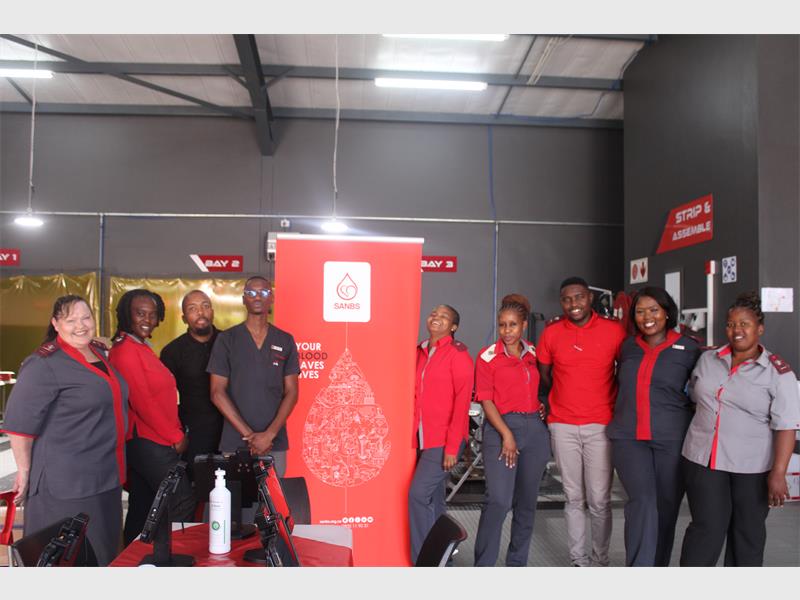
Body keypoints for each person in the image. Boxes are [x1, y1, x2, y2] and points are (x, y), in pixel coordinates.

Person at [0, 295, 128, 565]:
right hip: (67, 484)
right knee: (68, 561)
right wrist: (24, 471)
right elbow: (20, 425)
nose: (80, 325)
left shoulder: (98, 353)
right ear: (56, 324)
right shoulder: (43, 363)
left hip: (106, 475)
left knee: (104, 554)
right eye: (71, 320)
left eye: (86, 317)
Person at [679, 291, 800, 566]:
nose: (736, 330)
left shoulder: (778, 373)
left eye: (744, 324)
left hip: (752, 468)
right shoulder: (708, 359)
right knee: (705, 529)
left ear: (760, 328)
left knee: (747, 533)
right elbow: (693, 398)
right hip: (703, 460)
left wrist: (778, 473)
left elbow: (786, 427)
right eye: (731, 324)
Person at [606, 286, 701, 566]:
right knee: (642, 503)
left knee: (666, 508)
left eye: (653, 310)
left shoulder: (689, 348)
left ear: (667, 312)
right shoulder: (628, 347)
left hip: (671, 439)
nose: (646, 317)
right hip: (629, 439)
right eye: (639, 311)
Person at [537, 276, 626, 567]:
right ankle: (578, 559)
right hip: (562, 424)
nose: (573, 304)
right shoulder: (551, 333)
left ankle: (601, 560)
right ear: (561, 302)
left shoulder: (614, 332)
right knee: (573, 497)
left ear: (589, 298)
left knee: (599, 499)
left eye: (578, 297)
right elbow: (545, 376)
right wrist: (556, 406)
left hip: (600, 425)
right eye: (567, 299)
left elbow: (625, 373)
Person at [109, 288, 196, 545]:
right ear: (127, 315)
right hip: (148, 442)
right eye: (140, 313)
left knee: (143, 505)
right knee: (182, 499)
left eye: (152, 314)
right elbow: (142, 401)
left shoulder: (140, 347)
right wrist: (175, 436)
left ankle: (135, 561)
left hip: (149, 441)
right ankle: (172, 558)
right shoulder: (125, 351)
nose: (147, 319)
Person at [473, 294, 551, 567]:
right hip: (500, 429)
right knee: (498, 500)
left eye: (513, 325)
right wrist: (506, 434)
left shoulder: (533, 353)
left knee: (526, 504)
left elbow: (539, 387)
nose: (507, 331)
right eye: (503, 325)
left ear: (524, 325)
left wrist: (541, 405)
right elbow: (486, 399)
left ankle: (517, 565)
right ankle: (484, 566)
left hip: (535, 432)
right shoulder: (487, 357)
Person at [207, 276, 300, 477]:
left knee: (271, 505)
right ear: (243, 299)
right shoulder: (227, 339)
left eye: (264, 292)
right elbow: (216, 392)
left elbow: (292, 392)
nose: (257, 297)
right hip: (235, 441)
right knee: (235, 505)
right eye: (251, 293)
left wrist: (269, 435)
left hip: (274, 442)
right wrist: (250, 436)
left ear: (272, 298)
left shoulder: (285, 340)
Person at [408, 304, 474, 564]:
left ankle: (424, 562)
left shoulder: (458, 356)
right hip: (418, 440)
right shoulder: (419, 351)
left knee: (417, 495)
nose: (437, 318)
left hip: (443, 441)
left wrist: (451, 446)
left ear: (454, 327)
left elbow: (461, 405)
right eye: (434, 314)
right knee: (434, 500)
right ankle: (444, 559)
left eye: (444, 317)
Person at [160, 290, 223, 480]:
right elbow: (165, 399)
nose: (200, 313)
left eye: (205, 306)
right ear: (184, 317)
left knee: (231, 492)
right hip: (194, 433)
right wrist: (175, 435)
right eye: (192, 309)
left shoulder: (229, 342)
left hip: (230, 431)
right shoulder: (172, 352)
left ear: (212, 311)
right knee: (197, 491)